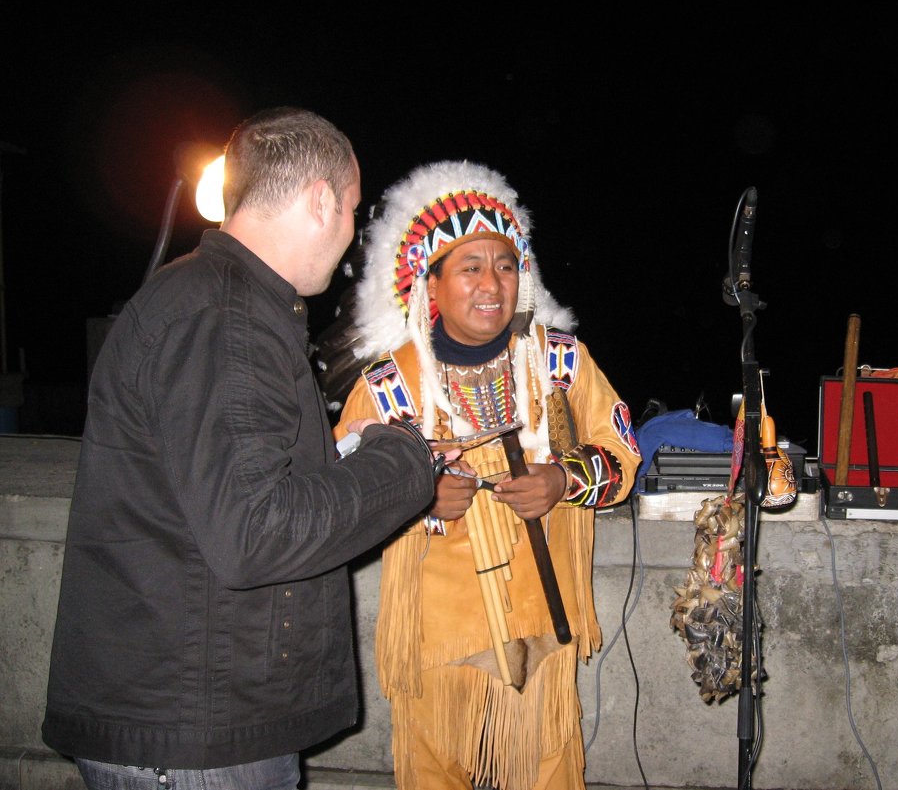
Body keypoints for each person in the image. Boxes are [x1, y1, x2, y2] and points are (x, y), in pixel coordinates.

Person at [41, 107, 442, 790]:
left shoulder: (210, 301)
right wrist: (406, 459)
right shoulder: (226, 319)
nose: (349, 236)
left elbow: (227, 494)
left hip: (188, 716)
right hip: (196, 738)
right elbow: (256, 530)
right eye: (349, 209)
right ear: (320, 201)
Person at [330, 161, 642, 790]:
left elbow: (623, 454)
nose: (491, 283)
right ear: (431, 284)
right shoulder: (388, 387)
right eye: (469, 266)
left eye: (504, 264)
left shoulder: (561, 362)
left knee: (547, 770)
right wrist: (415, 498)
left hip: (540, 628)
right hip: (439, 642)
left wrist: (561, 482)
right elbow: (340, 500)